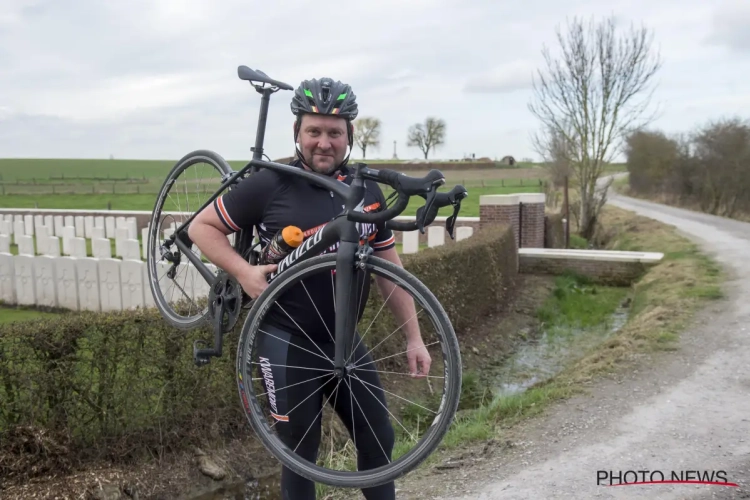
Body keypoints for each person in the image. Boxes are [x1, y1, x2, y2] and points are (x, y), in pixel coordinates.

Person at [188, 76, 432, 500]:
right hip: (286, 341)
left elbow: (389, 269)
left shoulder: (367, 190)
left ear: (349, 136)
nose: (324, 142)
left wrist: (414, 337)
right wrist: (245, 272)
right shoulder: (271, 182)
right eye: (313, 131)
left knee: (379, 442)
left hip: (344, 343)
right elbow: (202, 227)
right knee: (301, 456)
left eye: (334, 132)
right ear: (297, 133)